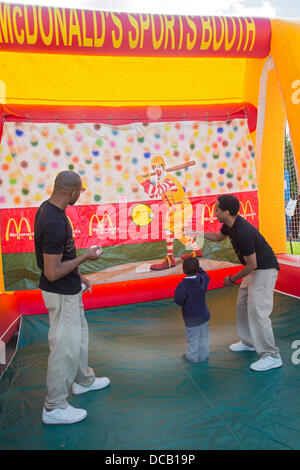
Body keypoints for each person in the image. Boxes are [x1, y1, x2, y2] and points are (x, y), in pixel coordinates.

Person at [34, 170, 110, 425]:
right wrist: (86, 257)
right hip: (60, 293)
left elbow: (63, 259)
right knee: (64, 348)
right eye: (81, 191)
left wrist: (78, 276)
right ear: (73, 191)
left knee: (78, 340)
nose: (81, 195)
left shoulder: (50, 209)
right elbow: (52, 272)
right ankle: (54, 406)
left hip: (70, 288)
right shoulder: (54, 221)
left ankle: (82, 381)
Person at [204, 194, 282, 372]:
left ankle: (271, 355)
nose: (214, 211)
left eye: (216, 208)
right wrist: (196, 233)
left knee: (257, 310)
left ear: (226, 212)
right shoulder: (230, 224)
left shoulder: (242, 232)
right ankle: (249, 342)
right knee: (242, 304)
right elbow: (218, 237)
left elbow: (252, 264)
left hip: (264, 269)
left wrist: (232, 279)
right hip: (254, 268)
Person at [136, 156, 202, 271]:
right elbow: (153, 194)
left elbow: (155, 191)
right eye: (154, 167)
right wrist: (146, 181)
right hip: (174, 209)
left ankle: (170, 259)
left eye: (159, 166)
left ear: (163, 167)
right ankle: (197, 251)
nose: (157, 169)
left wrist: (143, 181)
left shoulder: (169, 180)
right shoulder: (160, 181)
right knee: (178, 232)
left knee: (170, 230)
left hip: (182, 207)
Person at [174, 257, 210, 363]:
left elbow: (178, 300)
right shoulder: (202, 279)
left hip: (191, 319)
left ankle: (192, 357)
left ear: (183, 270)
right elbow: (205, 275)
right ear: (197, 269)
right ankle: (204, 355)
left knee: (192, 339)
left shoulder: (183, 286)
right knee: (204, 337)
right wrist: (198, 268)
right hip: (204, 316)